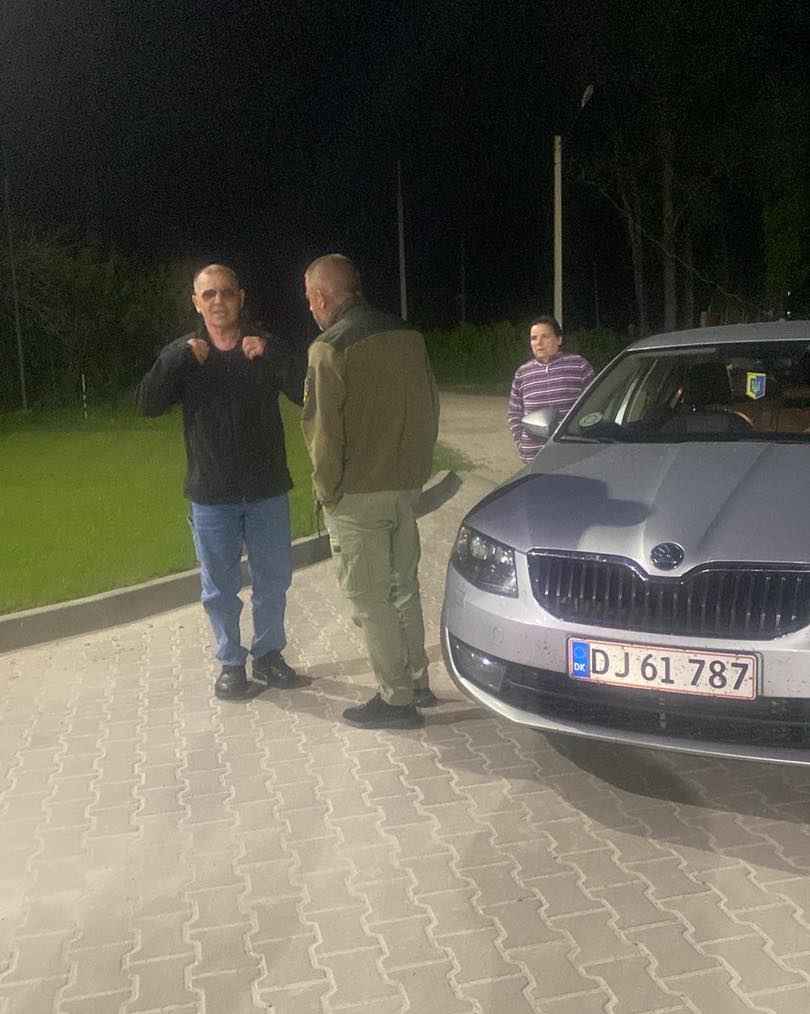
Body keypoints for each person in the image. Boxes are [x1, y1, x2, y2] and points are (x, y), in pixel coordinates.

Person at [135, 263, 305, 700]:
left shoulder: (263, 346)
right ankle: (231, 663)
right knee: (219, 589)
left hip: (267, 490)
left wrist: (272, 354)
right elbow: (147, 404)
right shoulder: (186, 355)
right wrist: (175, 360)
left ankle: (268, 655)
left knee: (273, 581)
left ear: (240, 297)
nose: (218, 301)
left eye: (226, 292)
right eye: (208, 294)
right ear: (196, 302)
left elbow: (305, 392)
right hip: (211, 496)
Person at [301, 254, 439, 729]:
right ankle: (418, 682)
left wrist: (327, 492)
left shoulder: (329, 347)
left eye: (310, 299)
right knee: (404, 587)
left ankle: (396, 700)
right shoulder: (409, 336)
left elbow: (324, 433)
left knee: (370, 598)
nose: (310, 308)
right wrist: (416, 473)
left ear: (322, 297)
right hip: (405, 487)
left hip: (357, 494)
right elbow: (430, 408)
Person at [507, 315, 594, 462]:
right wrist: (521, 443)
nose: (539, 343)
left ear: (559, 339)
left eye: (545, 337)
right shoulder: (522, 373)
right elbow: (514, 413)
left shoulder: (579, 365)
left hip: (572, 454)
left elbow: (595, 405)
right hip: (534, 457)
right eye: (534, 338)